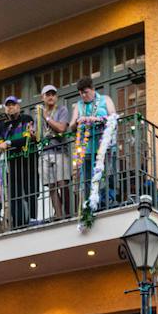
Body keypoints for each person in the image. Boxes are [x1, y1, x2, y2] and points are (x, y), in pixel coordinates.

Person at [69, 78, 119, 214]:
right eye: (80, 93)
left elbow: (114, 117)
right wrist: (79, 121)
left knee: (108, 174)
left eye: (85, 92)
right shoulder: (78, 105)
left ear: (92, 89)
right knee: (86, 179)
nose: (83, 96)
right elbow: (71, 125)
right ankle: (88, 205)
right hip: (87, 148)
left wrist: (97, 119)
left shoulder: (105, 99)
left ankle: (109, 201)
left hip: (105, 146)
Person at [0, 96, 37, 230]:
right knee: (14, 195)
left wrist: (9, 143)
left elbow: (27, 139)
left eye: (13, 104)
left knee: (31, 191)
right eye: (8, 105)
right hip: (11, 165)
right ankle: (18, 224)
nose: (10, 107)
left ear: (19, 107)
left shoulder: (26, 119)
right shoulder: (2, 126)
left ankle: (33, 219)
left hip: (28, 160)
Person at [36, 85, 71, 219]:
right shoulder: (39, 114)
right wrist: (31, 133)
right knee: (51, 186)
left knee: (62, 183)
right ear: (42, 97)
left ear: (56, 97)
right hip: (44, 152)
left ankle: (67, 213)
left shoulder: (62, 109)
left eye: (53, 94)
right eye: (47, 94)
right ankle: (58, 214)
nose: (50, 97)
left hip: (59, 150)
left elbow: (62, 128)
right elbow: (38, 135)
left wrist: (47, 118)